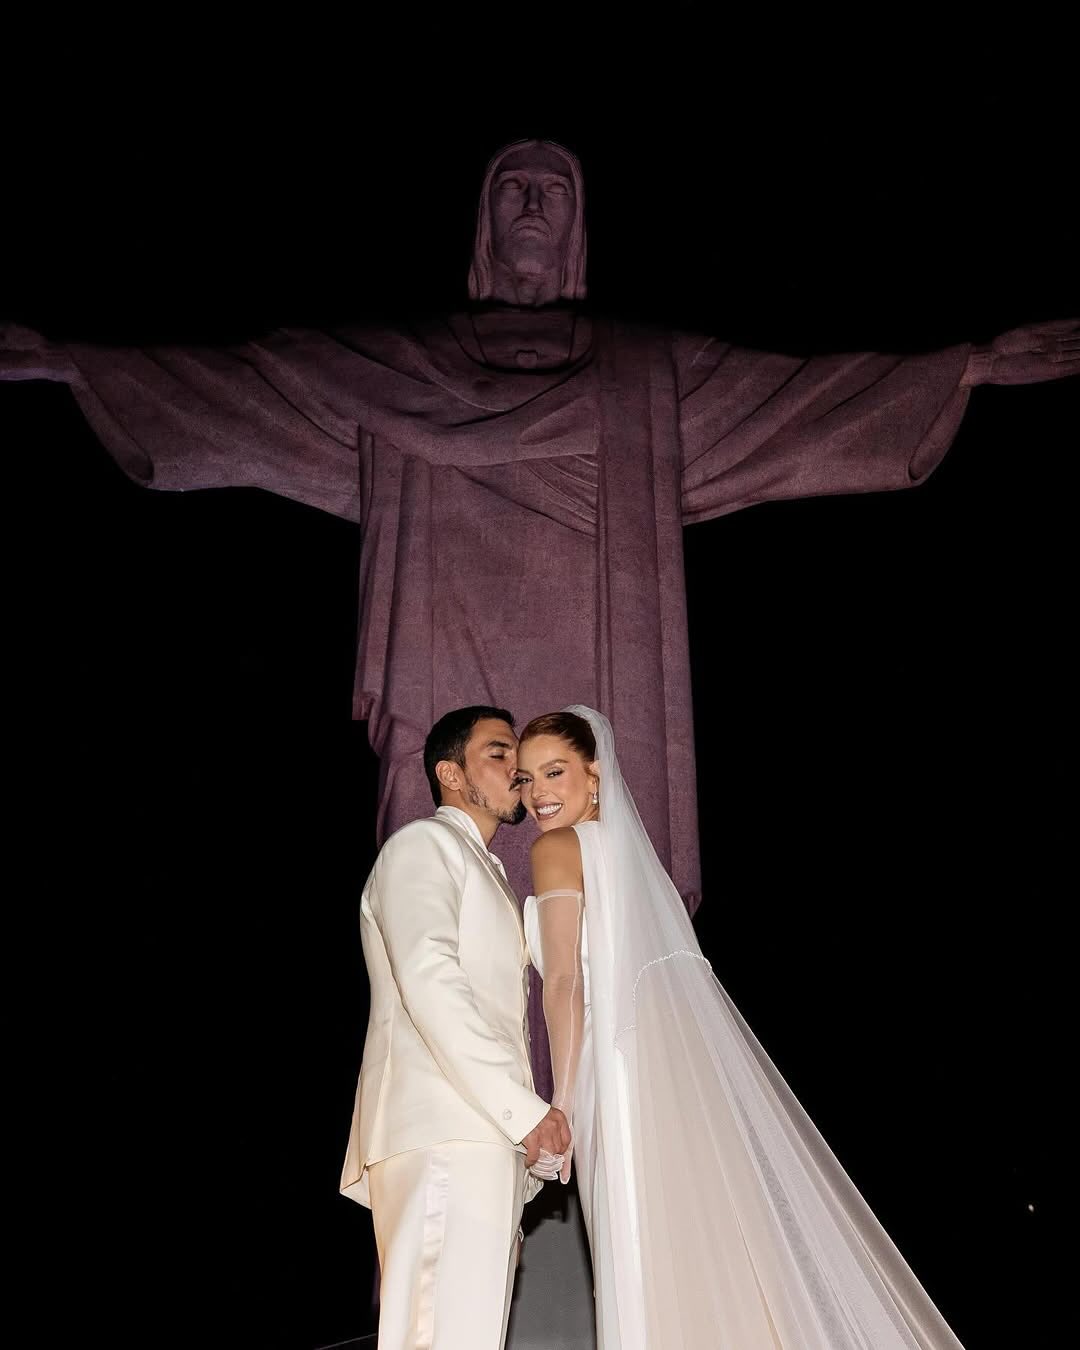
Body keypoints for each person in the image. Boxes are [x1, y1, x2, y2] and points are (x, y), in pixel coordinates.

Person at [516, 706, 964, 1349]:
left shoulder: (557, 849)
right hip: (668, 1074)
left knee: (637, 1244)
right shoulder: (638, 866)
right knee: (695, 1240)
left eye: (554, 772)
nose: (537, 793)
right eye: (527, 778)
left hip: (610, 1078)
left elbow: (564, 982)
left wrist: (561, 1103)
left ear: (594, 774)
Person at [340, 704, 571, 1350]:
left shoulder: (490, 873)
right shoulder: (423, 845)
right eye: (499, 753)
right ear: (450, 773)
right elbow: (429, 979)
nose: (517, 769)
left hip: (480, 1137)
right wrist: (522, 1111)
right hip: (442, 1129)